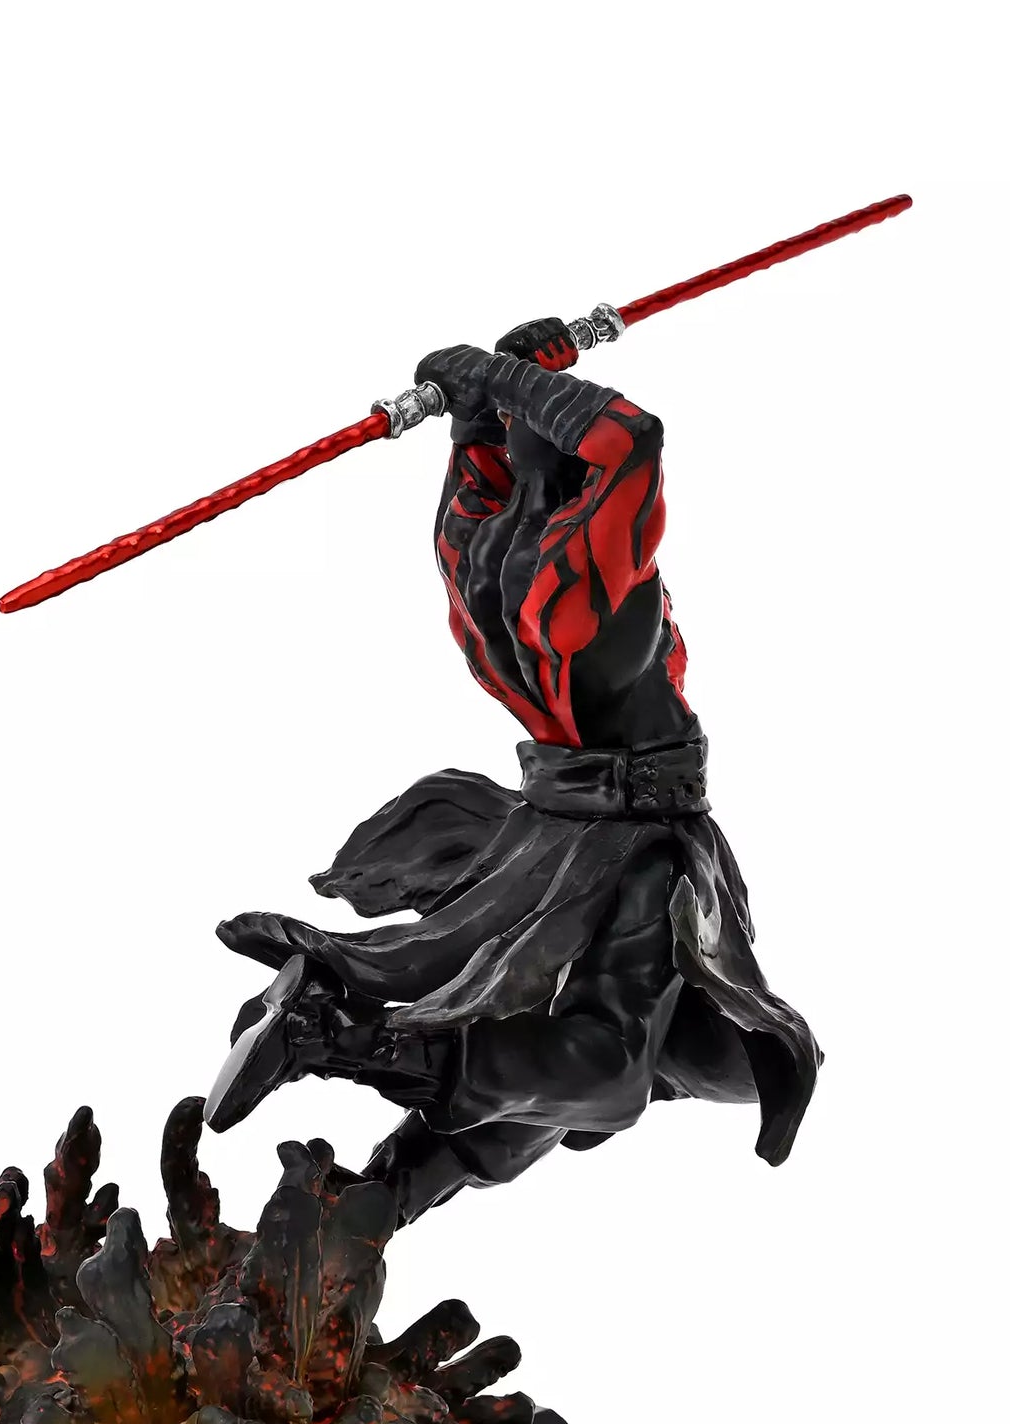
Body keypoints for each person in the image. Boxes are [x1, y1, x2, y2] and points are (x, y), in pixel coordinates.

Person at [206, 318, 822, 1225]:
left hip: (560, 817)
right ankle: (334, 1035)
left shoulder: (481, 555)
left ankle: (378, 1204)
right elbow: (633, 439)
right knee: (612, 1069)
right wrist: (506, 379)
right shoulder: (585, 574)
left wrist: (484, 398)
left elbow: (489, 469)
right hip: (636, 838)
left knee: (595, 1068)